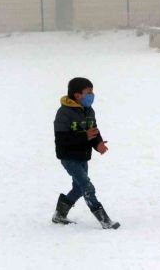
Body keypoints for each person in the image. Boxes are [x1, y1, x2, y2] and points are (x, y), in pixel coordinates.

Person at [52, 77, 120, 229]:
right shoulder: (64, 113)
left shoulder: (89, 111)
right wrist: (85, 136)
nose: (92, 95)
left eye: (92, 92)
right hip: (68, 156)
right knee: (87, 187)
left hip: (83, 155)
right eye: (88, 92)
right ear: (77, 95)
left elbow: (93, 131)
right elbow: (61, 139)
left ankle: (59, 215)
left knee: (78, 188)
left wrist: (98, 144)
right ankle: (105, 221)